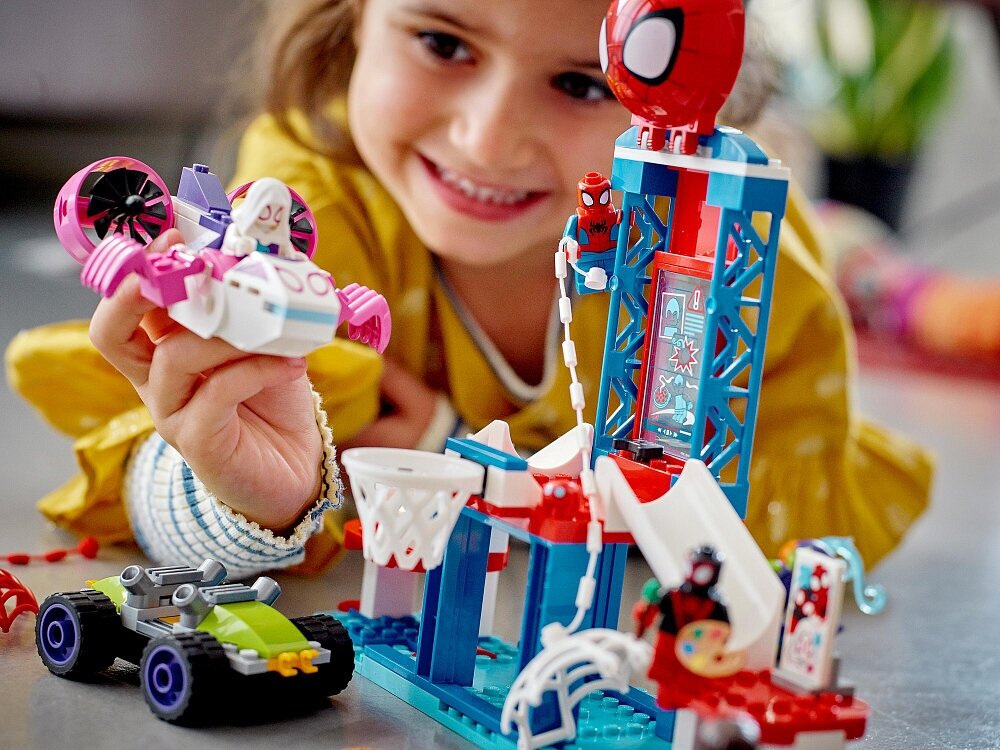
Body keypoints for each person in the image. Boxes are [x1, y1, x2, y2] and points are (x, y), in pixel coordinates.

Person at [5, 0, 932, 580]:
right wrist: (252, 501)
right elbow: (208, 468)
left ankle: (864, 256)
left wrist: (465, 462)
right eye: (443, 42)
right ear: (350, 20)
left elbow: (770, 534)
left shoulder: (731, 247)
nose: (487, 141)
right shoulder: (298, 204)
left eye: (582, 83)